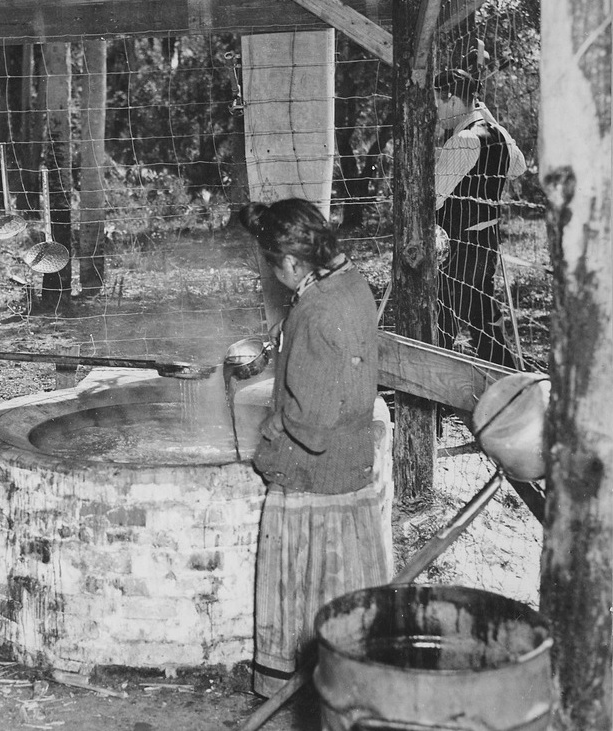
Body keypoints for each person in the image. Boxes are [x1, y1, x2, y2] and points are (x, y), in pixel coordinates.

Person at [239, 198, 393, 698]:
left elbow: (312, 424)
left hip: (314, 473)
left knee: (302, 584)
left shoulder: (316, 310)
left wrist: (271, 427)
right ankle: (353, 669)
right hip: (353, 463)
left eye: (271, 265)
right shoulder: (349, 284)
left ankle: (289, 682)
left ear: (289, 262)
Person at [434, 66, 526, 368]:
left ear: (452, 100)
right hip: (485, 242)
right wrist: (488, 116)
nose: (437, 113)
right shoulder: (495, 134)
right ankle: (509, 380)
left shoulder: (463, 140)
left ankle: (426, 389)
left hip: (458, 244)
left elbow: (431, 199)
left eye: (438, 104)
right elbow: (519, 166)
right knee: (483, 320)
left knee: (442, 319)